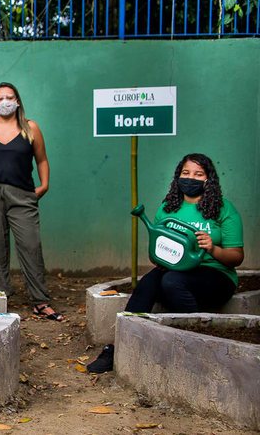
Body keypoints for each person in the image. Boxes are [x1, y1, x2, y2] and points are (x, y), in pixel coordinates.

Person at [87, 153, 244, 373]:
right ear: (178, 176)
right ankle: (116, 349)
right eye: (186, 173)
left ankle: (199, 346)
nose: (191, 178)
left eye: (198, 174)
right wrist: (162, 257)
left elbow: (236, 257)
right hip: (177, 271)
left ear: (209, 180)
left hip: (216, 275)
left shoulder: (224, 209)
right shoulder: (168, 208)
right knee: (148, 282)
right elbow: (157, 251)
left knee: (171, 281)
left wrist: (213, 248)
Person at [0, 82, 62, 321]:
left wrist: (44, 184)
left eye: (10, 97)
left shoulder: (30, 128)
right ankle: (2, 298)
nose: (5, 101)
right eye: (0, 98)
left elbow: (42, 159)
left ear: (18, 101)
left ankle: (40, 300)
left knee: (31, 245)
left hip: (22, 193)